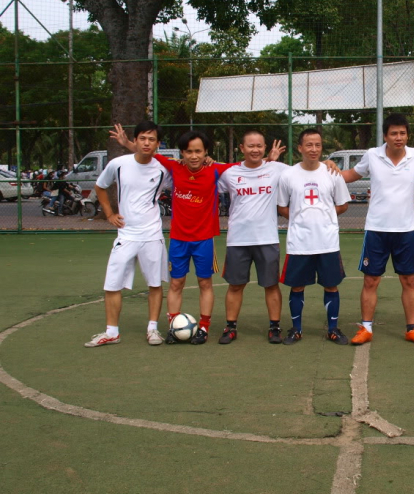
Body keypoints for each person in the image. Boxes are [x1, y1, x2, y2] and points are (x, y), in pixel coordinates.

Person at [109, 125, 284, 344]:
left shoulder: (217, 171)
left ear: (206, 153)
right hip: (179, 239)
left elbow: (251, 164)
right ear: (182, 153)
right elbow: (149, 151)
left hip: (204, 239)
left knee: (205, 283)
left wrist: (269, 159)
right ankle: (174, 327)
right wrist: (127, 143)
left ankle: (204, 327)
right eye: (189, 151)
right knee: (176, 283)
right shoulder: (174, 168)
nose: (194, 155)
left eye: (199, 151)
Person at [218, 131, 337, 345]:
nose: (255, 149)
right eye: (250, 146)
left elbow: (308, 169)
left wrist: (327, 162)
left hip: (267, 238)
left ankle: (274, 327)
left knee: (271, 285)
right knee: (235, 285)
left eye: (259, 146)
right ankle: (230, 327)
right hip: (237, 240)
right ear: (241, 148)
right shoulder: (229, 174)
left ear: (265, 148)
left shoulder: (279, 170)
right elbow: (204, 179)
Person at [342, 113, 414, 345]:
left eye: (402, 133)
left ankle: (412, 329)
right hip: (376, 229)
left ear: (407, 135)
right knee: (371, 281)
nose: (398, 137)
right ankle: (366, 328)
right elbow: (351, 175)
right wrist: (323, 170)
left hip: (405, 230)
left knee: (409, 280)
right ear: (385, 135)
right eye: (394, 133)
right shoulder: (372, 155)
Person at [85, 120, 172, 347]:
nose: (146, 143)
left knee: (155, 283)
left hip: (152, 234)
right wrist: (109, 213)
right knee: (112, 284)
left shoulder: (164, 169)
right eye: (142, 138)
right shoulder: (118, 164)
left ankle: (153, 329)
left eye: (151, 139)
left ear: (158, 144)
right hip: (126, 234)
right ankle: (112, 332)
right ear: (135, 140)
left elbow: (192, 174)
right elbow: (100, 187)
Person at [276, 129, 350, 345]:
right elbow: (282, 207)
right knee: (297, 286)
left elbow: (343, 204)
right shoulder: (288, 175)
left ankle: (333, 329)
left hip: (327, 241)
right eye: (309, 145)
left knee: (331, 285)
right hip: (299, 243)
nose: (314, 149)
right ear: (300, 148)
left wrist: (324, 215)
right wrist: (301, 218)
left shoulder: (332, 173)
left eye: (317, 145)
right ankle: (296, 330)